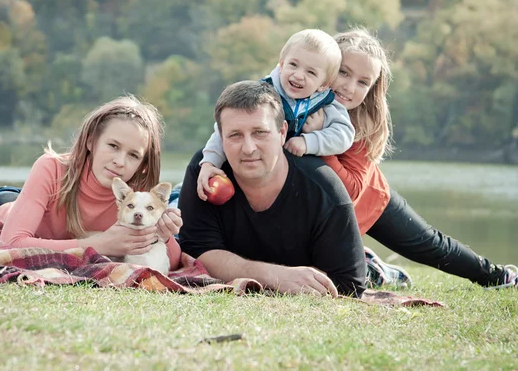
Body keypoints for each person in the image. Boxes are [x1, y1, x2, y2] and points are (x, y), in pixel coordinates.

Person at [319, 27, 517, 289]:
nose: (349, 86)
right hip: (325, 217)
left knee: (431, 246)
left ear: (371, 89)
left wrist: (321, 145)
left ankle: (496, 275)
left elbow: (351, 189)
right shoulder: (298, 101)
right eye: (343, 72)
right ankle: (367, 264)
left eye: (362, 82)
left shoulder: (361, 123)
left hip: (369, 200)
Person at [0, 97, 183, 271]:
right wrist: (99, 245)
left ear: (142, 164)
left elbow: (169, 262)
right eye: (113, 146)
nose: (119, 161)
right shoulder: (52, 168)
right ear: (91, 141)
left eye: (133, 155)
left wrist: (164, 234)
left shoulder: (136, 202)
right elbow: (12, 242)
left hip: (33, 213)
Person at [177, 80, 367, 298]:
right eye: (235, 135)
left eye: (260, 132)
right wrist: (275, 276)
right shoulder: (205, 172)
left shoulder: (324, 189)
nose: (248, 148)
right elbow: (196, 254)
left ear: (282, 132)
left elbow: (349, 284)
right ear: (220, 138)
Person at [197, 29, 355, 199]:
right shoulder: (262, 95)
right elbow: (224, 130)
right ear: (281, 64)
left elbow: (344, 135)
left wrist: (309, 141)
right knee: (200, 171)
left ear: (324, 84)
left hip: (291, 176)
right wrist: (210, 162)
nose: (298, 75)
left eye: (311, 72)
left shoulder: (326, 104)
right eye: (293, 64)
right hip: (253, 167)